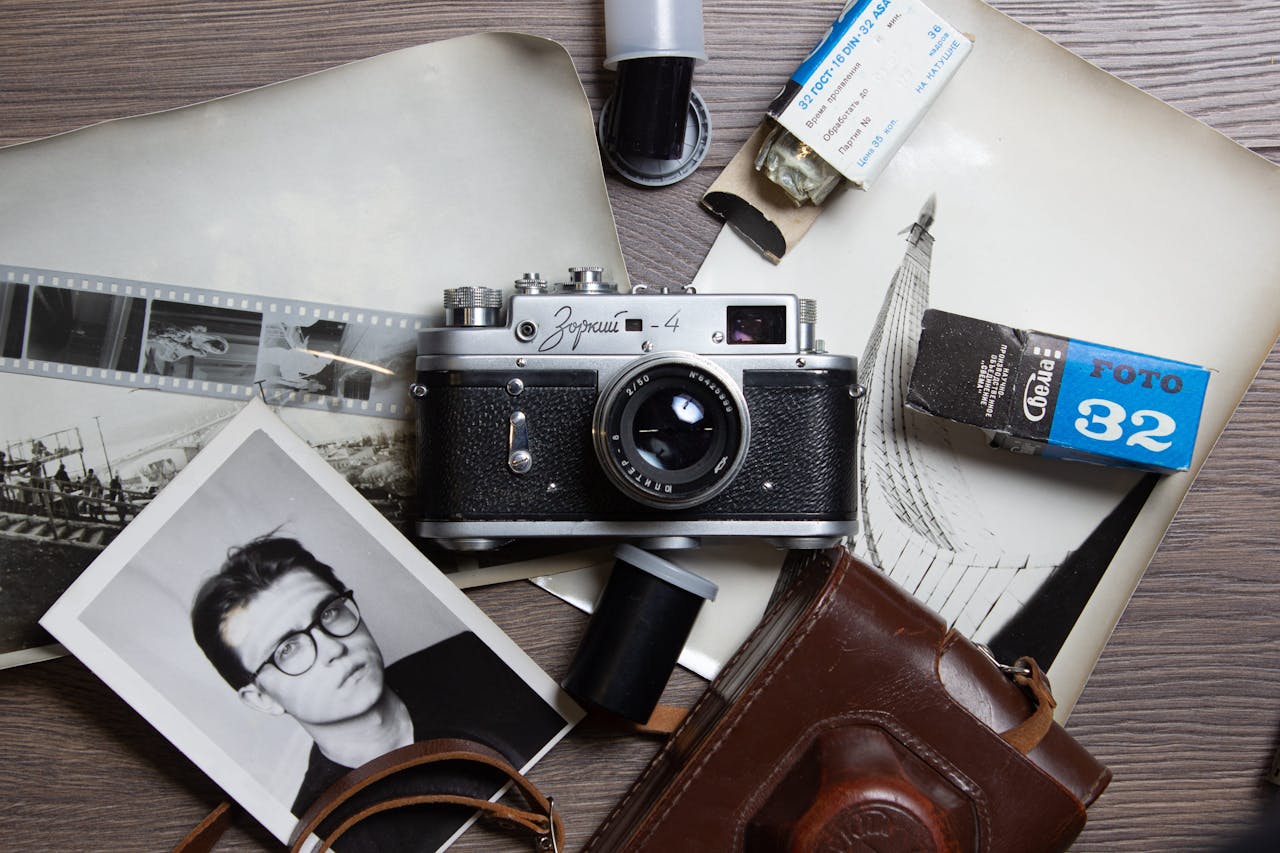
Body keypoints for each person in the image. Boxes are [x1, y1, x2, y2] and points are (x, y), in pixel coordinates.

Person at [190, 535, 565, 851]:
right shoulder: (330, 830)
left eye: (330, 612)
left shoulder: (475, 660)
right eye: (288, 649)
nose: (335, 648)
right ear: (262, 699)